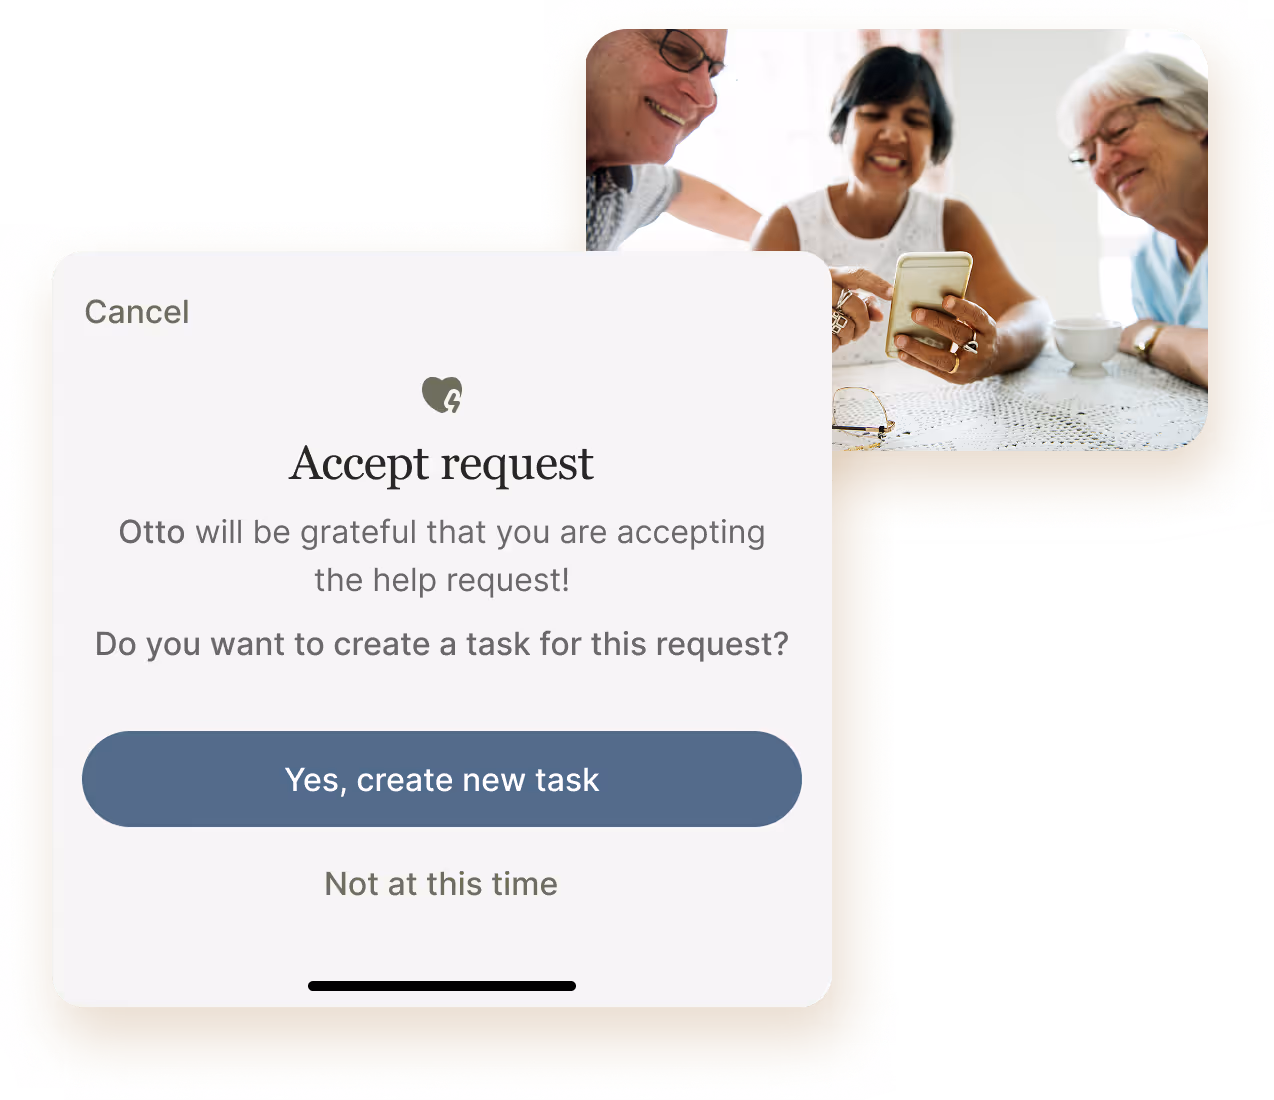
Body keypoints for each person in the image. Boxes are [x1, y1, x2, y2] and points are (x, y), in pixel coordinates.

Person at [752, 47, 1051, 381]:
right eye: (874, 114)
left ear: (935, 140)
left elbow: (1033, 315)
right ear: (841, 127)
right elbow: (745, 350)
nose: (893, 134)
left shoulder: (952, 220)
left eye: (915, 120)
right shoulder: (786, 226)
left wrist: (995, 350)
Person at [586, 28, 896, 348]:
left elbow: (682, 192)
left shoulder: (627, 175)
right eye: (677, 50)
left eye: (713, 74)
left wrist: (796, 250)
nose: (707, 100)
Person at [1057, 53, 1208, 388]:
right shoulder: (1148, 264)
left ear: (1196, 118)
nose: (1102, 164)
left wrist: (1149, 335)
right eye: (1089, 156)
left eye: (1118, 130)